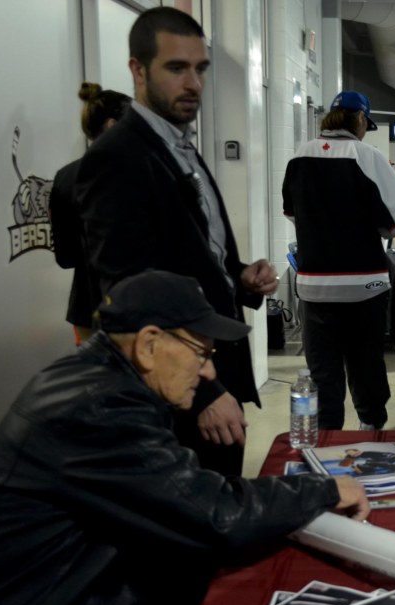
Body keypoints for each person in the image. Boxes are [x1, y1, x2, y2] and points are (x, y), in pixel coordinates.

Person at [0, 270, 369, 605]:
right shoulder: (102, 409)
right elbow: (214, 515)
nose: (206, 373)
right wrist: (325, 489)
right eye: (201, 353)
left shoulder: (95, 380)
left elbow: (183, 494)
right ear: (149, 344)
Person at [75, 7, 278, 477]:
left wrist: (240, 277)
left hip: (210, 360)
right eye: (176, 68)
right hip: (176, 391)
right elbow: (127, 294)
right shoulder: (118, 157)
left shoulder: (178, 145)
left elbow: (191, 255)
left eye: (200, 68)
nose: (193, 83)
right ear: (137, 70)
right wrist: (203, 394)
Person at [282, 90, 395, 431]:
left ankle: (325, 442)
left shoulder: (299, 155)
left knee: (323, 372)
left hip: (314, 284)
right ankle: (371, 428)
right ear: (360, 120)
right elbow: (391, 224)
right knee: (366, 363)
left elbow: (292, 213)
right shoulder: (368, 156)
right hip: (363, 284)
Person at [50, 82, 131, 343]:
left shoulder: (65, 177)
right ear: (111, 125)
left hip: (85, 309)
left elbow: (65, 256)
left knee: (94, 382)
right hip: (135, 309)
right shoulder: (136, 172)